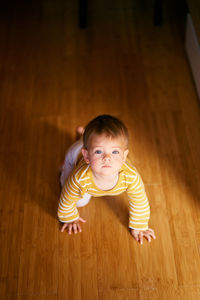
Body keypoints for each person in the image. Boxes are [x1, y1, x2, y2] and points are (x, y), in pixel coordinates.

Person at [58, 115, 156, 244]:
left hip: (86, 148)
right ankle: (78, 144)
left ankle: (84, 137)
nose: (107, 158)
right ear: (86, 156)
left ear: (124, 156)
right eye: (99, 152)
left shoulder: (130, 177)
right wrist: (69, 218)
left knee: (90, 142)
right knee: (77, 199)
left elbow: (140, 201)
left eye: (115, 152)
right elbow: (66, 199)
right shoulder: (79, 177)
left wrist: (140, 226)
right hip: (75, 155)